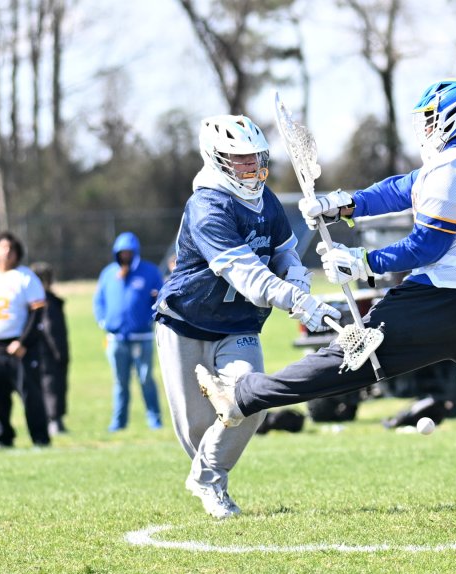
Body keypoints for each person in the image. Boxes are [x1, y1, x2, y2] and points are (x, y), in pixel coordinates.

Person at [197, 78, 456, 507]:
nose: (425, 127)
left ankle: (241, 397)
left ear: (454, 118)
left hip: (442, 301)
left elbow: (428, 245)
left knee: (348, 358)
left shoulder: (451, 165)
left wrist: (363, 262)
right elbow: (404, 188)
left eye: (432, 118)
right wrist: (342, 204)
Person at [153, 114, 340, 519]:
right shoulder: (207, 205)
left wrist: (296, 275)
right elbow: (248, 276)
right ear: (216, 158)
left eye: (256, 157)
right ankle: (208, 477)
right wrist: (295, 300)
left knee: (249, 402)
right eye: (240, 159)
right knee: (197, 429)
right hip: (185, 322)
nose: (252, 166)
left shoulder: (265, 197)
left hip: (238, 324)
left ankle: (209, 481)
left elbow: (284, 250)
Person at [93, 231, 164, 432]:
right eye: (121, 252)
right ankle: (119, 422)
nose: (125, 256)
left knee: (145, 379)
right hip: (116, 339)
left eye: (128, 252)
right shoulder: (108, 273)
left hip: (142, 337)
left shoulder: (149, 272)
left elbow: (161, 299)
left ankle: (154, 419)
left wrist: (151, 317)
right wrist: (103, 321)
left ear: (135, 252)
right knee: (120, 382)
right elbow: (98, 300)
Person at [0, 231, 50, 447]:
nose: (7, 252)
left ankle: (40, 438)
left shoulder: (25, 277)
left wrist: (24, 342)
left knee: (31, 396)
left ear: (18, 252)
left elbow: (37, 313)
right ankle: (2, 438)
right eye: (3, 247)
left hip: (19, 346)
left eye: (11, 248)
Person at [30, 262, 70, 436]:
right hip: (48, 353)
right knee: (52, 386)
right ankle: (54, 422)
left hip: (40, 352)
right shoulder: (45, 301)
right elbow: (50, 328)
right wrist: (59, 352)